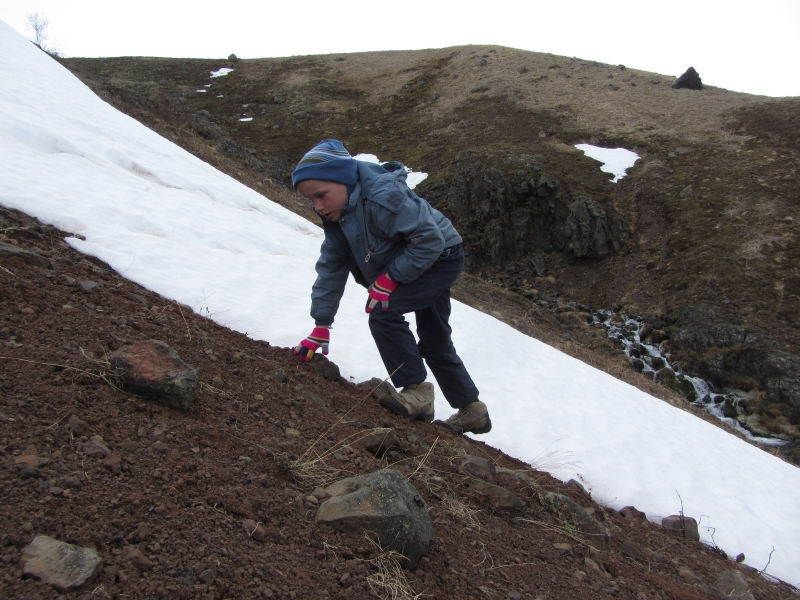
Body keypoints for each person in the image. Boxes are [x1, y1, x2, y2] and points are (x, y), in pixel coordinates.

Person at [292, 139, 491, 435]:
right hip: (415, 260)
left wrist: (389, 280)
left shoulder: (382, 195)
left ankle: (417, 392)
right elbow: (331, 268)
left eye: (321, 195)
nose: (318, 207)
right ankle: (473, 410)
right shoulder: (338, 218)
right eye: (311, 201)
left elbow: (429, 240)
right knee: (434, 339)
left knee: (383, 310)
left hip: (440, 256)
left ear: (345, 180)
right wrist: (321, 324)